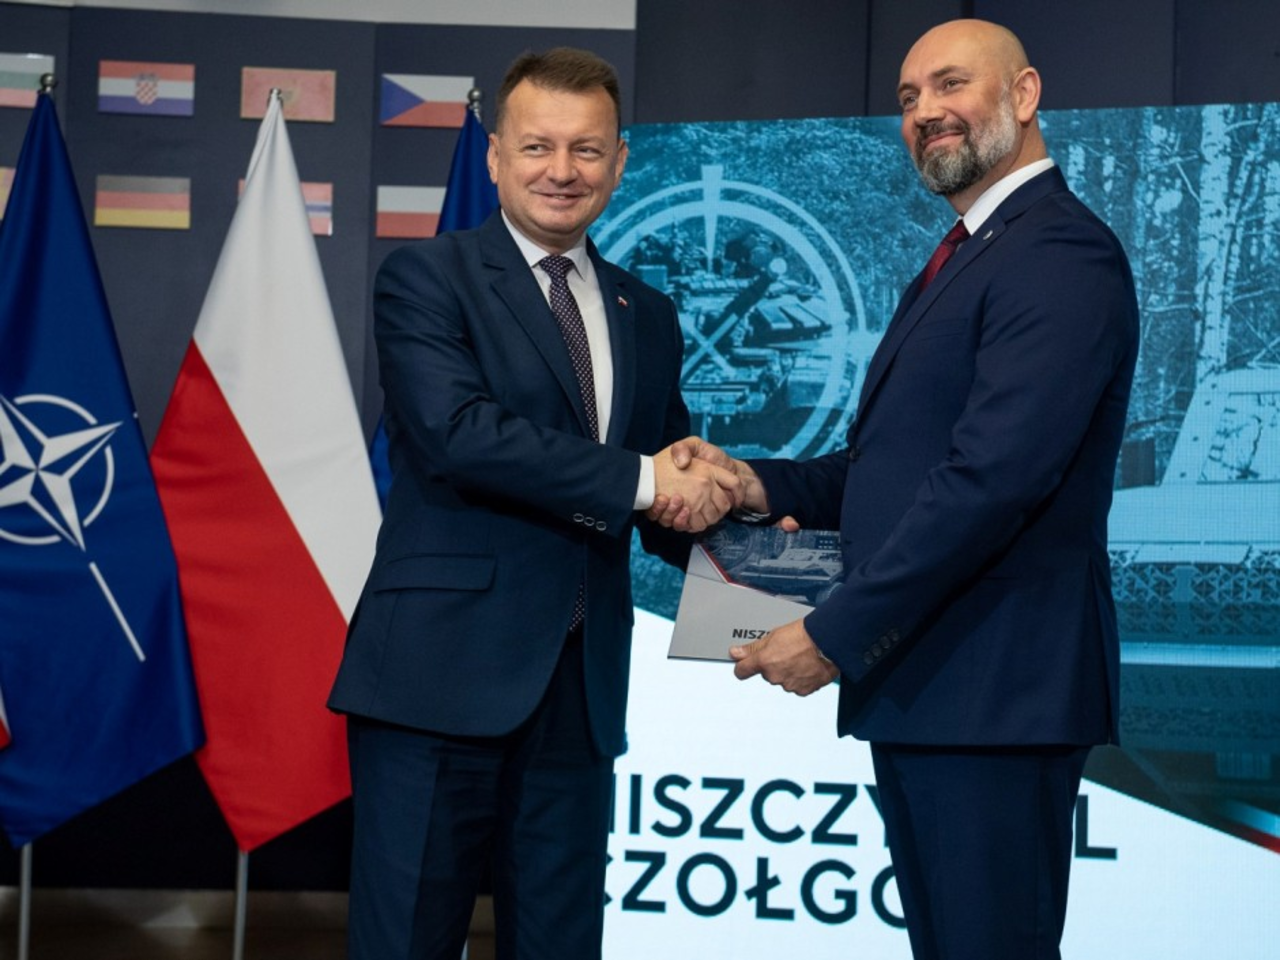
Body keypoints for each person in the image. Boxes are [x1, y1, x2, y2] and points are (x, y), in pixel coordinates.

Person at [655, 19, 1139, 960]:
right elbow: (889, 467)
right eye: (910, 98)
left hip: (993, 692)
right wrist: (751, 481)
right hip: (937, 688)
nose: (925, 112)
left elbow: (989, 483)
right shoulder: (969, 253)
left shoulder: (1057, 251)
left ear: (1025, 94)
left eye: (951, 85)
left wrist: (833, 633)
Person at [328, 47, 739, 960]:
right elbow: (460, 435)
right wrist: (649, 480)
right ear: (494, 156)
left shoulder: (648, 312)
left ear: (619, 162)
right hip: (437, 684)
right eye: (537, 146)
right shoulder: (426, 277)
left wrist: (782, 574)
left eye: (586, 149)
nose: (562, 170)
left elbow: (669, 489)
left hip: (578, 694)